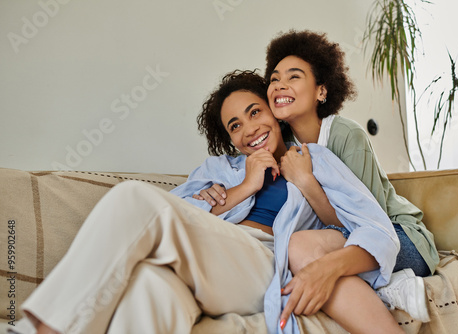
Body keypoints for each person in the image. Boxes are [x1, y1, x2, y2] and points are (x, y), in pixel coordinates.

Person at [11, 70, 401, 334]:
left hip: (267, 263)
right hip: (211, 264)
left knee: (132, 196)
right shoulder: (217, 170)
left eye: (255, 113)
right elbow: (170, 220)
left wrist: (309, 188)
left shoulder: (316, 159)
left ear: (275, 113)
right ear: (230, 139)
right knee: (150, 287)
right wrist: (244, 187)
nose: (250, 130)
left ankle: (44, 328)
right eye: (236, 126)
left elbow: (378, 230)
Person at [199, 30, 439, 327]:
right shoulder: (276, 141)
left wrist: (306, 182)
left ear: (321, 91)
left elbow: (366, 223)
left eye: (294, 77)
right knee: (298, 248)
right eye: (274, 79)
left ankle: (388, 284)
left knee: (302, 250)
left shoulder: (344, 136)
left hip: (400, 235)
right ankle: (377, 285)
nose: (280, 85)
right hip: (341, 238)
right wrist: (215, 191)